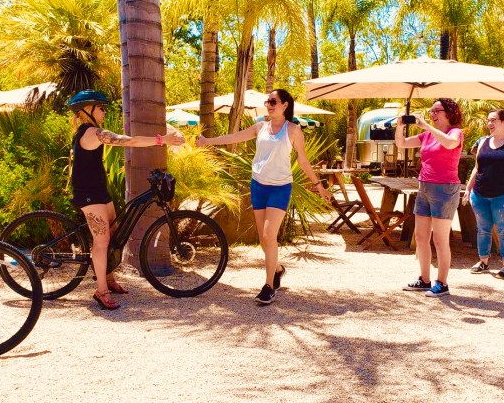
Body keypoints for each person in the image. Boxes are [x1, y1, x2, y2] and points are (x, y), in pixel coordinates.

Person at [196, 89, 331, 305]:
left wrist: (318, 185)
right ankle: (277, 269)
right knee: (263, 240)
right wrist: (207, 141)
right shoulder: (260, 127)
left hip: (280, 188)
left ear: (285, 105)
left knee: (269, 235)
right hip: (258, 186)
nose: (268, 104)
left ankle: (269, 287)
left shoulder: (293, 131)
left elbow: (303, 161)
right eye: (267, 101)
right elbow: (234, 137)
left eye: (273, 101)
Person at [68, 90, 185, 310]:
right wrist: (163, 140)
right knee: (102, 242)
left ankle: (108, 279)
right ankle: (100, 291)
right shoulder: (92, 132)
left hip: (99, 190)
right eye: (101, 108)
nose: (104, 111)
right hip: (88, 194)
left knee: (113, 233)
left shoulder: (90, 131)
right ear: (88, 110)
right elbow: (128, 140)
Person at [396, 99, 464, 297]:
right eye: (431, 111)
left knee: (440, 239)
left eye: (437, 111)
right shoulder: (426, 136)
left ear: (449, 112)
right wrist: (400, 127)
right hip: (424, 187)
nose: (433, 114)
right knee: (421, 237)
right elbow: (401, 143)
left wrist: (425, 125)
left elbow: (450, 144)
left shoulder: (455, 133)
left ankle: (442, 283)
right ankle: (424, 280)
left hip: (445, 189)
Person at [463, 109, 504, 279]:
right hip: (480, 194)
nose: (489, 124)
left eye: (493, 120)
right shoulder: (483, 142)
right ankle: (483, 262)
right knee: (482, 229)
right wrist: (468, 190)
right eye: (488, 121)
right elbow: (477, 168)